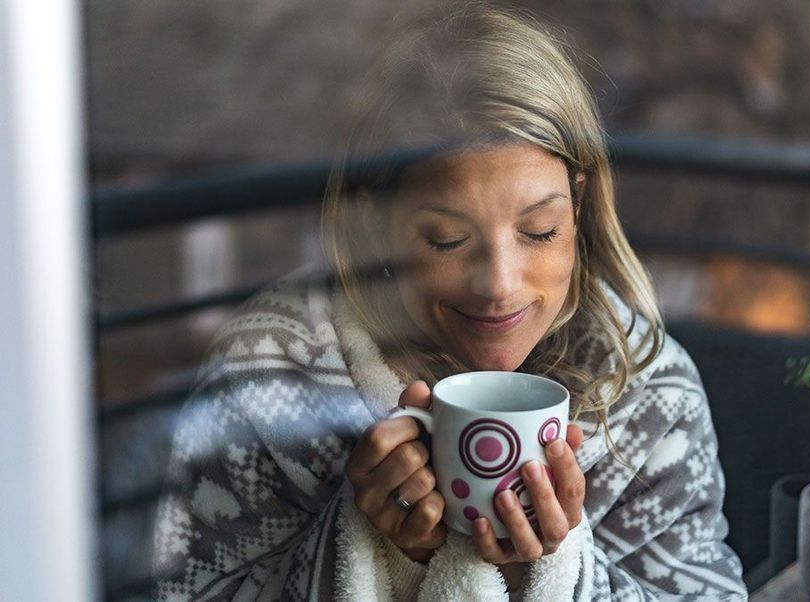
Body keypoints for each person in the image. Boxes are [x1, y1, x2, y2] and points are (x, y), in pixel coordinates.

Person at [152, 3, 747, 600]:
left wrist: (551, 571)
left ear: (580, 205)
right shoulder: (271, 373)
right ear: (376, 225)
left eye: (540, 231)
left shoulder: (648, 391)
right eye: (447, 240)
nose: (500, 285)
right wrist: (380, 546)